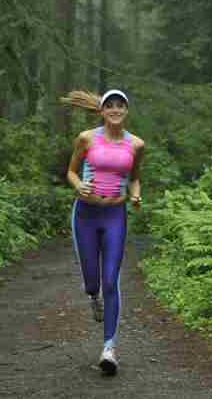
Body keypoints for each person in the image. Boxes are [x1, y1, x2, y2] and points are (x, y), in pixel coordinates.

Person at [63, 89, 144, 376]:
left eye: (120, 105)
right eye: (109, 105)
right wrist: (77, 185)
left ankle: (109, 347)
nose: (115, 109)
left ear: (126, 110)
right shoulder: (87, 138)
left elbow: (135, 180)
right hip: (85, 214)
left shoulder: (136, 144)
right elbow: (71, 171)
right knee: (92, 279)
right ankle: (91, 295)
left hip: (114, 216)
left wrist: (135, 196)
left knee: (111, 280)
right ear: (101, 111)